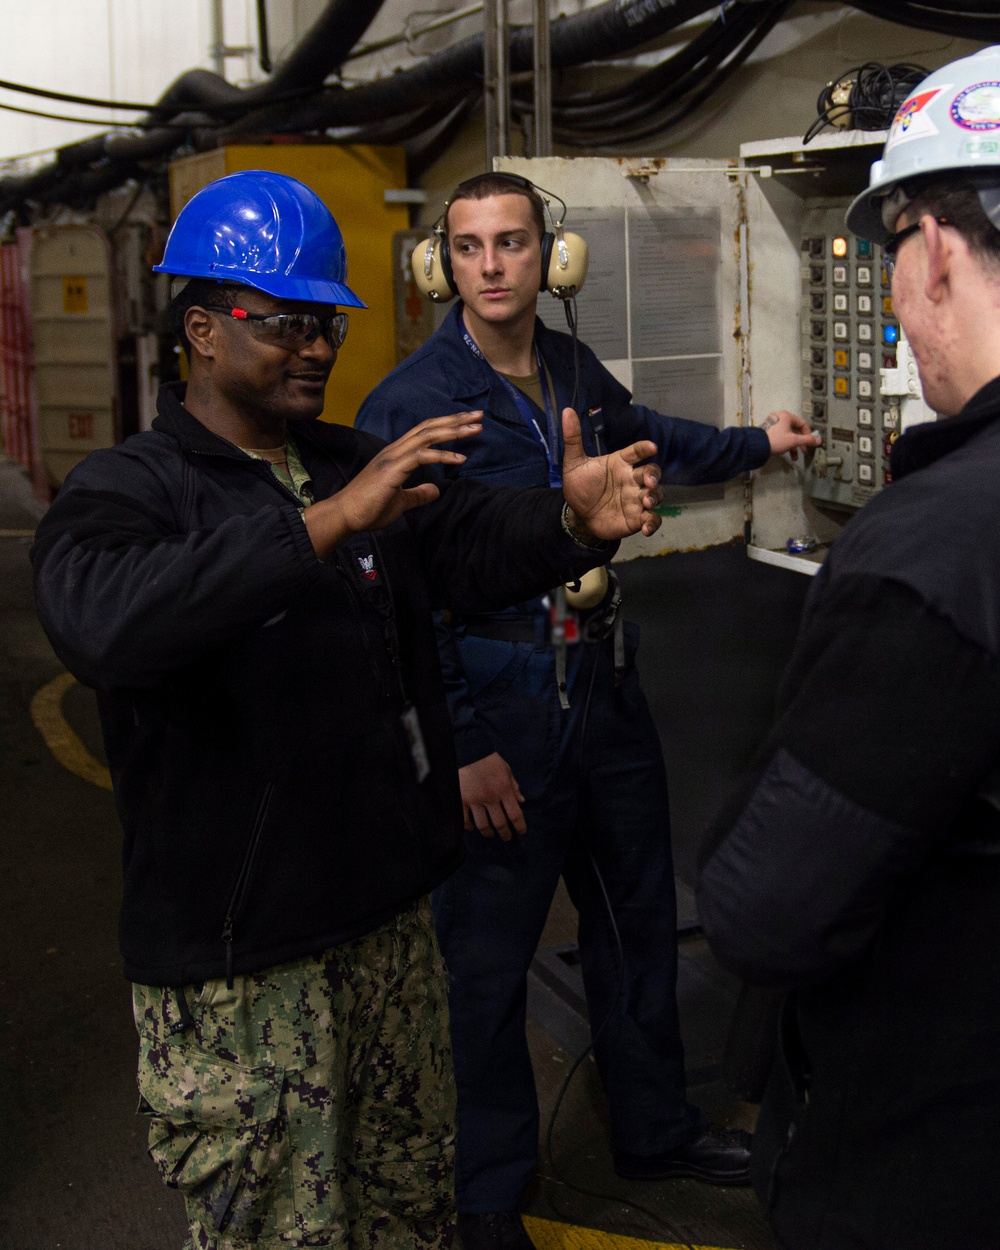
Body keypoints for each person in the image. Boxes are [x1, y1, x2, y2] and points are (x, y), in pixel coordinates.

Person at [30, 170, 668, 1250]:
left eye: (326, 323)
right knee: (285, 1229)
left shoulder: (342, 463)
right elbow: (105, 624)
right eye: (285, 323)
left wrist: (568, 520)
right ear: (200, 327)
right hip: (244, 973)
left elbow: (462, 544)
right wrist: (322, 525)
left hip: (385, 938)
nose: (317, 346)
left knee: (406, 1213)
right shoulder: (130, 491)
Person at [356, 172, 820, 1249]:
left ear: (549, 258)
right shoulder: (411, 404)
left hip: (601, 694)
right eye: (468, 246)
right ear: (441, 265)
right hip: (499, 706)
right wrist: (465, 745)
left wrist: (760, 442)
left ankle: (653, 1128)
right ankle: (488, 1193)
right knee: (484, 965)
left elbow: (651, 433)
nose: (491, 265)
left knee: (633, 925)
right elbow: (404, 600)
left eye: (511, 242)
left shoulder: (571, 370)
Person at [697, 46, 1000, 1250]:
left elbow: (765, 906)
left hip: (927, 1156)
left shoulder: (932, 543)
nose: (887, 307)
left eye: (887, 265)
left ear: (927, 248)